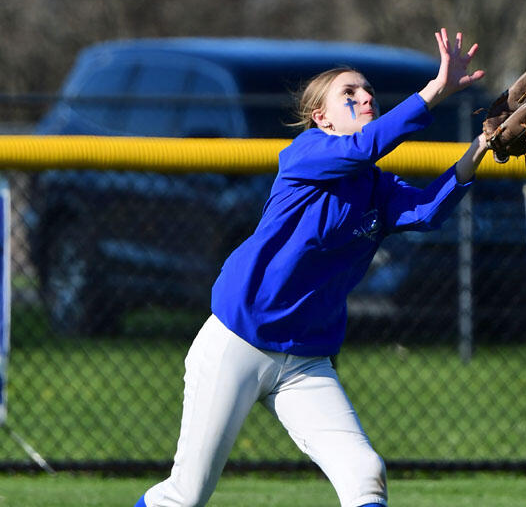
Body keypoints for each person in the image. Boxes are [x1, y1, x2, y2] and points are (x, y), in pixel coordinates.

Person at [133, 28, 489, 507]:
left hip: (305, 358)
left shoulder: (377, 187)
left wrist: (480, 147)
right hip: (239, 340)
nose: (365, 97)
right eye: (350, 93)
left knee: (365, 473)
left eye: (368, 91)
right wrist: (434, 91)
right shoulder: (306, 154)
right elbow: (364, 147)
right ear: (321, 118)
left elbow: (426, 211)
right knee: (188, 493)